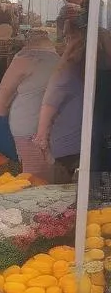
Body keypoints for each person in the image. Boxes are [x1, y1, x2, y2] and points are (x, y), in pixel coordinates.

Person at [34, 17, 111, 183]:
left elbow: (49, 105)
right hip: (85, 147)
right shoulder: (89, 70)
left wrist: (42, 141)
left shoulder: (68, 70)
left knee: (69, 199)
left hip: (73, 149)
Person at [0, 27, 59, 176]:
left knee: (30, 180)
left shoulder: (25, 58)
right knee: (45, 178)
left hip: (27, 131)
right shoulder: (60, 61)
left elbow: (1, 102)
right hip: (50, 130)